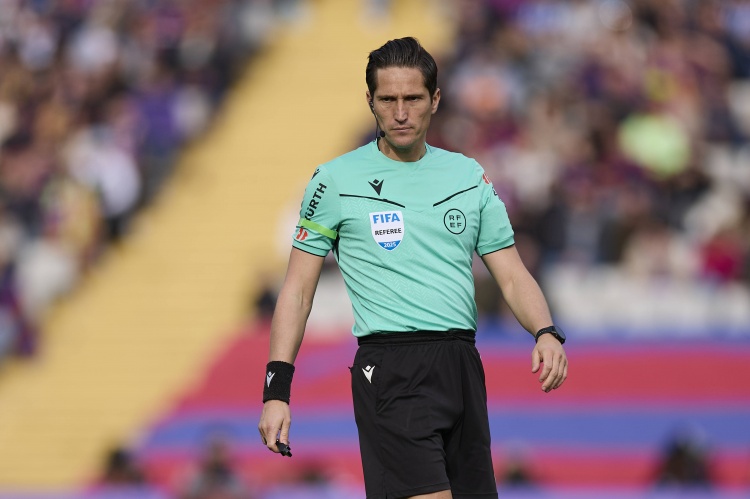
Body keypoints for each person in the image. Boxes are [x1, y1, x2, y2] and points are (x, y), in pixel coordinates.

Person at [258, 37, 568, 499]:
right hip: (391, 369)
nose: (401, 113)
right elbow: (298, 292)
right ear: (370, 101)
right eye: (388, 100)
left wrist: (545, 331)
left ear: (435, 100)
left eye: (413, 99)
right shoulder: (334, 180)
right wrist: (276, 391)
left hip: (462, 366)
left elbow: (511, 273)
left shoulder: (468, 177)